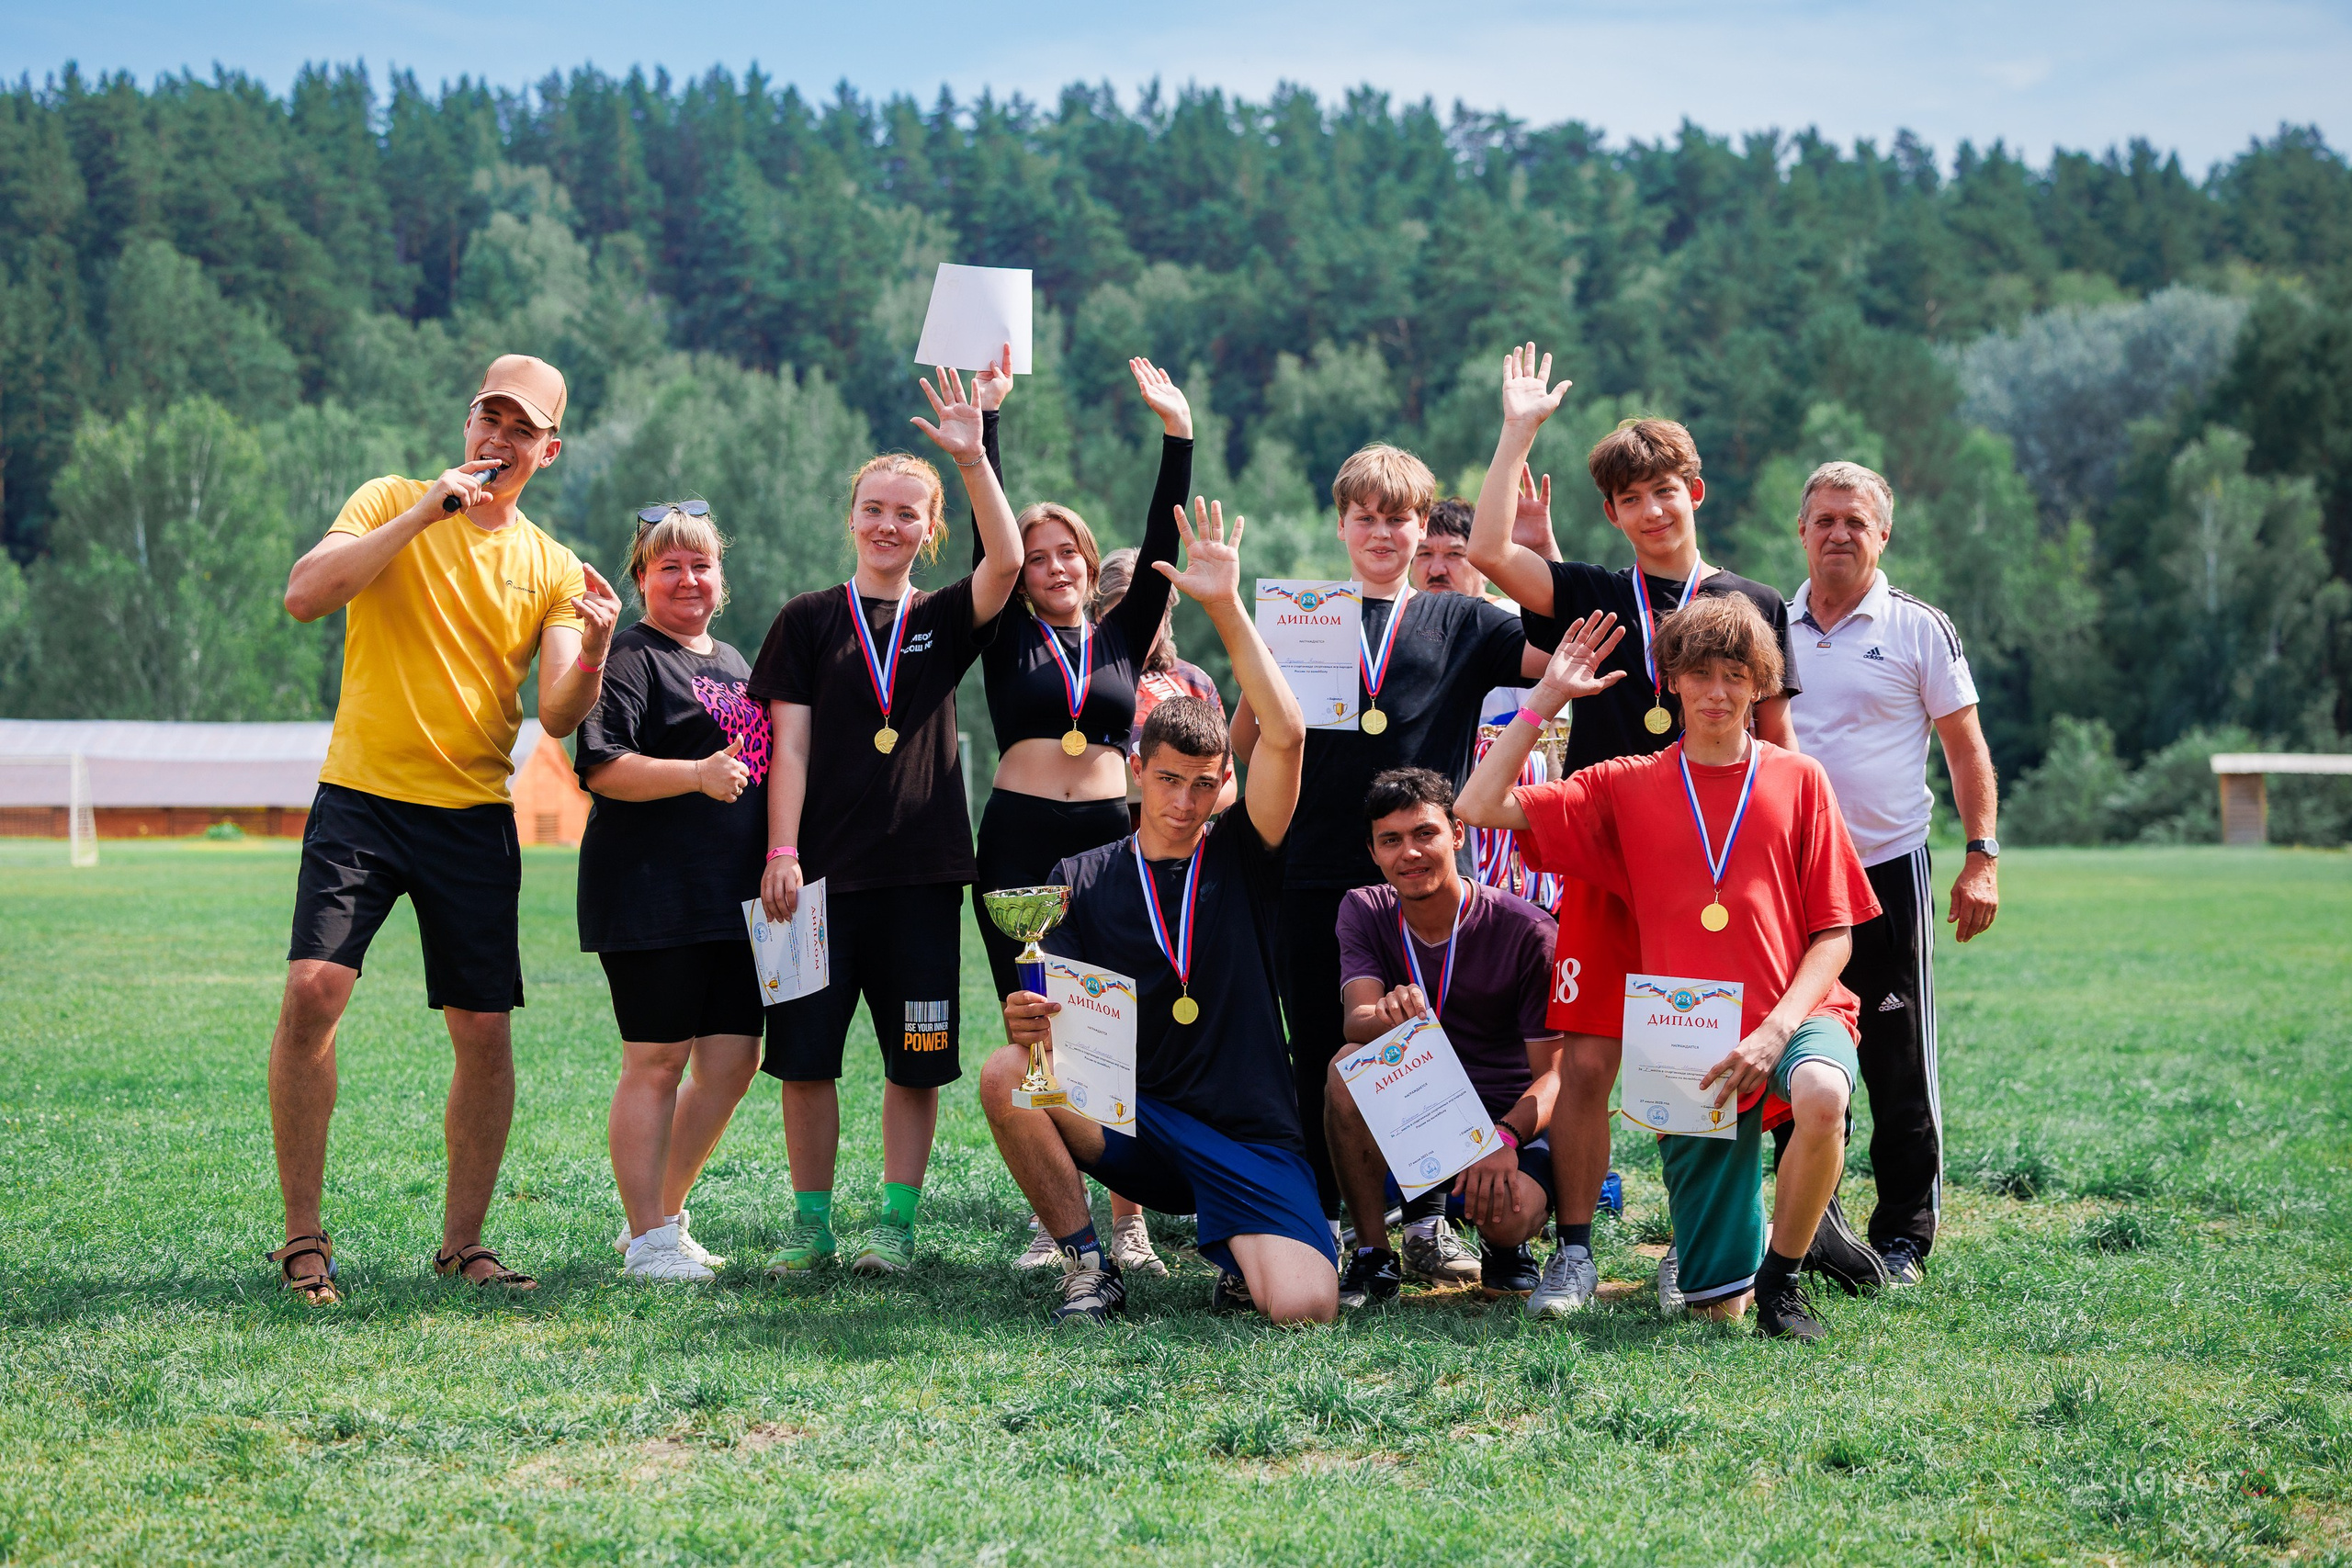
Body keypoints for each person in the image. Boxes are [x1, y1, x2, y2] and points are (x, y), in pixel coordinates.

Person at [270, 355, 620, 1302]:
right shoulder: (393, 497)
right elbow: (305, 595)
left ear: (549, 450)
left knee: (483, 1031)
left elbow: (554, 714)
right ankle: (303, 1238)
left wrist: (591, 650)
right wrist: (424, 511)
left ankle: (463, 1244)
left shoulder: (548, 565)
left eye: (520, 430)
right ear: (468, 424)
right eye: (487, 421)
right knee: (313, 989)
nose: (497, 442)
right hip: (362, 798)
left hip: (469, 814)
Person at [1464, 344, 1804, 1319]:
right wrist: (1516, 431)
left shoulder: (1753, 604)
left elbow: (1778, 748)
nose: (1653, 511)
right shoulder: (1593, 593)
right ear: (1610, 514)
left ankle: (1689, 1245)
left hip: (1711, 878)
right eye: (1631, 500)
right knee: (1590, 1060)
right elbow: (1490, 552)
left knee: (1693, 1056)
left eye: (1665, 491)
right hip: (1605, 861)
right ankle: (1574, 1250)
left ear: (1694, 489)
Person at [1461, 595, 1881, 1339]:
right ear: (1672, 683)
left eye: (1735, 674)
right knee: (1717, 1309)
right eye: (1699, 674)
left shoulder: (1800, 779)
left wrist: (1777, 1031)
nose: (1717, 691)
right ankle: (1736, 1277)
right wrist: (1548, 696)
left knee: (1822, 1095)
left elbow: (1836, 934)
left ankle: (1784, 1281)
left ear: (1760, 684)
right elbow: (1477, 802)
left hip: (1796, 1013)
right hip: (1687, 1041)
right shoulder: (1623, 784)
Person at [982, 499, 1333, 1325]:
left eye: (1204, 783)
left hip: (1247, 1131)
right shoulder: (1079, 874)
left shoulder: (1245, 851)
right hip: (1138, 1130)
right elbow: (1061, 1031)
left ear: (1222, 785)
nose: (1184, 800)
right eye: (1169, 779)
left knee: (1306, 1306)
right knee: (1007, 1074)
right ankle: (1086, 1264)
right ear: (1139, 771)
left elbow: (1284, 735)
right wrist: (1030, 1018)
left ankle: (1243, 1253)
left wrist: (1225, 604)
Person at [1231, 443, 1544, 1284]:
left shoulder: (1465, 620)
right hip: (1305, 872)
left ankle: (1427, 1218)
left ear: (1422, 525)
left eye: (1398, 517)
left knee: (1423, 1038)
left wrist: (1533, 555)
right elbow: (1247, 734)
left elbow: (1557, 654)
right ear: (1340, 525)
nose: (1382, 531)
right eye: (1365, 517)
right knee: (1318, 1052)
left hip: (1418, 878)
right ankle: (1319, 1220)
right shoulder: (1300, 613)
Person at [750, 367, 1023, 1277]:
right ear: (851, 517)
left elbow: (1010, 564)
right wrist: (781, 851)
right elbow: (784, 750)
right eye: (873, 508)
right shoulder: (805, 621)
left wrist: (975, 457)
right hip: (814, 880)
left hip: (920, 881)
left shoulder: (944, 619)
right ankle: (810, 1226)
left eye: (908, 513)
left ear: (930, 529)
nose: (886, 524)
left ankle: (894, 1228)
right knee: (804, 1062)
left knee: (917, 1060)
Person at [968, 352, 1195, 1278]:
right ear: (1022, 571)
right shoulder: (999, 627)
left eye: (1072, 552)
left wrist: (1176, 433)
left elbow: (1165, 542)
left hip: (1108, 840)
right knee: (1037, 1020)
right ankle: (1050, 1216)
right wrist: (986, 424)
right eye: (1041, 555)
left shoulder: (1119, 632)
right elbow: (990, 533)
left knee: (1110, 1020)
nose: (1058, 565)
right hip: (1020, 837)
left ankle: (1129, 1219)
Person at [1786, 461, 2001, 1287]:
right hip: (1792, 882)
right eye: (1825, 519)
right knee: (1798, 1054)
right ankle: (1816, 1228)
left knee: (1896, 1056)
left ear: (1884, 534)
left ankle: (1905, 1235)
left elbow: (1965, 747)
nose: (1839, 532)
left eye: (1856, 520)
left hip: (1884, 870)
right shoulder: (1771, 623)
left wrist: (1981, 856)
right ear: (1801, 530)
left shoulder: (1919, 627)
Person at [576, 502, 769, 1282]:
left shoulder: (732, 660)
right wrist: (694, 774)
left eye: (701, 565)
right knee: (656, 1060)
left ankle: (657, 1219)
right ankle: (649, 1235)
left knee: (732, 1060)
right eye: (669, 566)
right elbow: (600, 765)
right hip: (651, 890)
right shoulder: (629, 658)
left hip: (734, 897)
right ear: (643, 578)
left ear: (720, 579)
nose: (688, 579)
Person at [1326, 768, 1561, 1308]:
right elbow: (1355, 1021)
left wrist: (1503, 1138)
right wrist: (1387, 1012)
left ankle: (1506, 1248)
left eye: (1424, 833)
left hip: (1506, 1119)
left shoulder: (1528, 931)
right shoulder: (1364, 908)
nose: (1410, 853)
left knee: (1510, 1217)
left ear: (1458, 833)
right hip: (1423, 1110)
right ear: (1374, 852)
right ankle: (1373, 1254)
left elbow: (1556, 1075)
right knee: (1347, 1065)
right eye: (1392, 841)